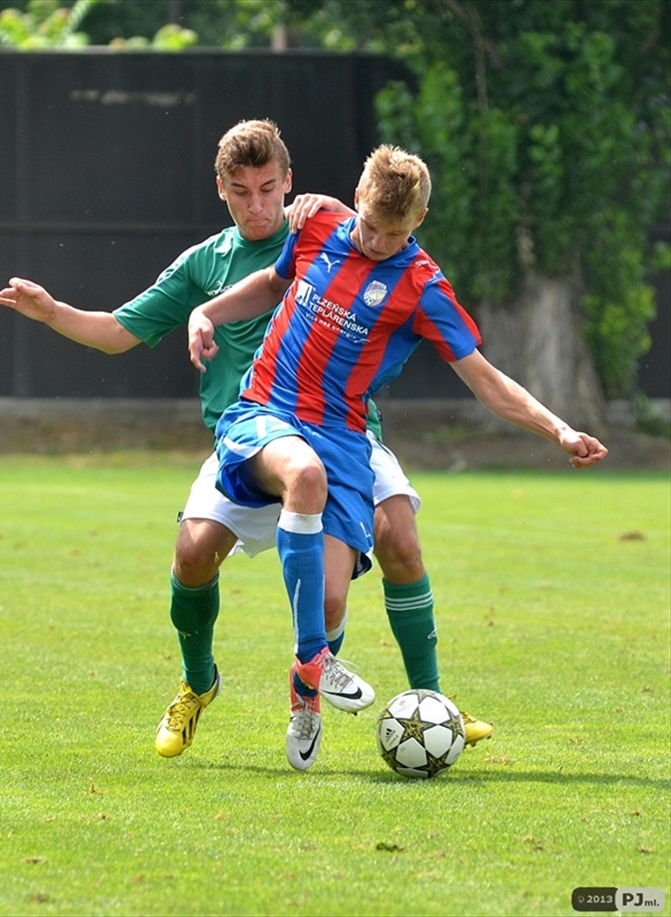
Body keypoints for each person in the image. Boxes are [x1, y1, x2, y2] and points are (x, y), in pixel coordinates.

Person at [0, 119, 492, 764]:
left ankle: (429, 702)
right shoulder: (205, 264)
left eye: (268, 189)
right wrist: (52, 310)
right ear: (221, 191)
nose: (257, 205)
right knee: (193, 554)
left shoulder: (332, 228)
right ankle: (198, 683)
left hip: (343, 433)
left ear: (290, 183)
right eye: (241, 191)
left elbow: (386, 225)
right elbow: (117, 331)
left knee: (397, 537)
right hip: (250, 435)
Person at [187, 143, 609, 771]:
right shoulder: (321, 222)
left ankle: (307, 689)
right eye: (371, 226)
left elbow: (487, 380)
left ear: (420, 222)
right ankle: (315, 663)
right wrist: (208, 311)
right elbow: (273, 284)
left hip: (342, 434)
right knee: (299, 476)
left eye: (395, 233)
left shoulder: (421, 288)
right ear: (357, 198)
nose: (378, 241)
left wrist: (559, 431)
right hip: (265, 409)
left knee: (330, 603)